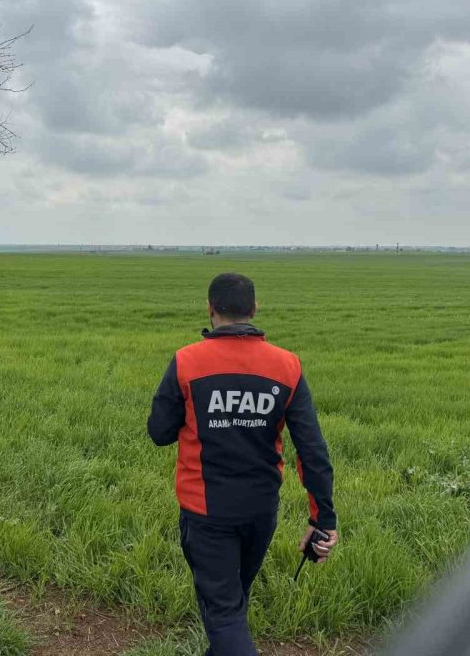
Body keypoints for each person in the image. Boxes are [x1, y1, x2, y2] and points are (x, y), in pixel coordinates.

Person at [147, 272, 337, 656]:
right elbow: (312, 451)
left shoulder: (187, 362)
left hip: (206, 512)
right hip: (260, 511)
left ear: (210, 308)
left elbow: (160, 432)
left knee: (223, 613)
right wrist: (323, 520)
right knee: (232, 605)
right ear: (254, 309)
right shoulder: (287, 366)